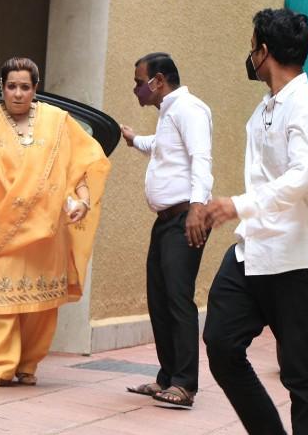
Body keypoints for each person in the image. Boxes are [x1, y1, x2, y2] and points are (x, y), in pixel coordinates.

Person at [0, 57, 111, 388]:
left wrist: (84, 201)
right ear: (1, 87)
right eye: (11, 86)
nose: (17, 94)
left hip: (45, 233)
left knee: (38, 309)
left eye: (25, 87)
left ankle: (28, 364)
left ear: (36, 88)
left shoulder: (57, 121)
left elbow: (85, 162)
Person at [203, 8, 308, 434]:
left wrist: (237, 205)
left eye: (252, 46)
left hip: (296, 259)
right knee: (220, 343)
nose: (250, 55)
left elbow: (300, 177)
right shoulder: (265, 109)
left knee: (301, 376)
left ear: (264, 52)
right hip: (253, 251)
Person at [121, 52, 213, 409]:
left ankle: (185, 383)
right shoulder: (168, 113)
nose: (136, 89)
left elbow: (201, 158)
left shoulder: (189, 109)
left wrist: (197, 207)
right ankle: (167, 376)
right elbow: (163, 149)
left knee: (177, 298)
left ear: (158, 81)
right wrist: (134, 139)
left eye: (138, 82)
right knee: (159, 298)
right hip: (166, 222)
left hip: (184, 219)